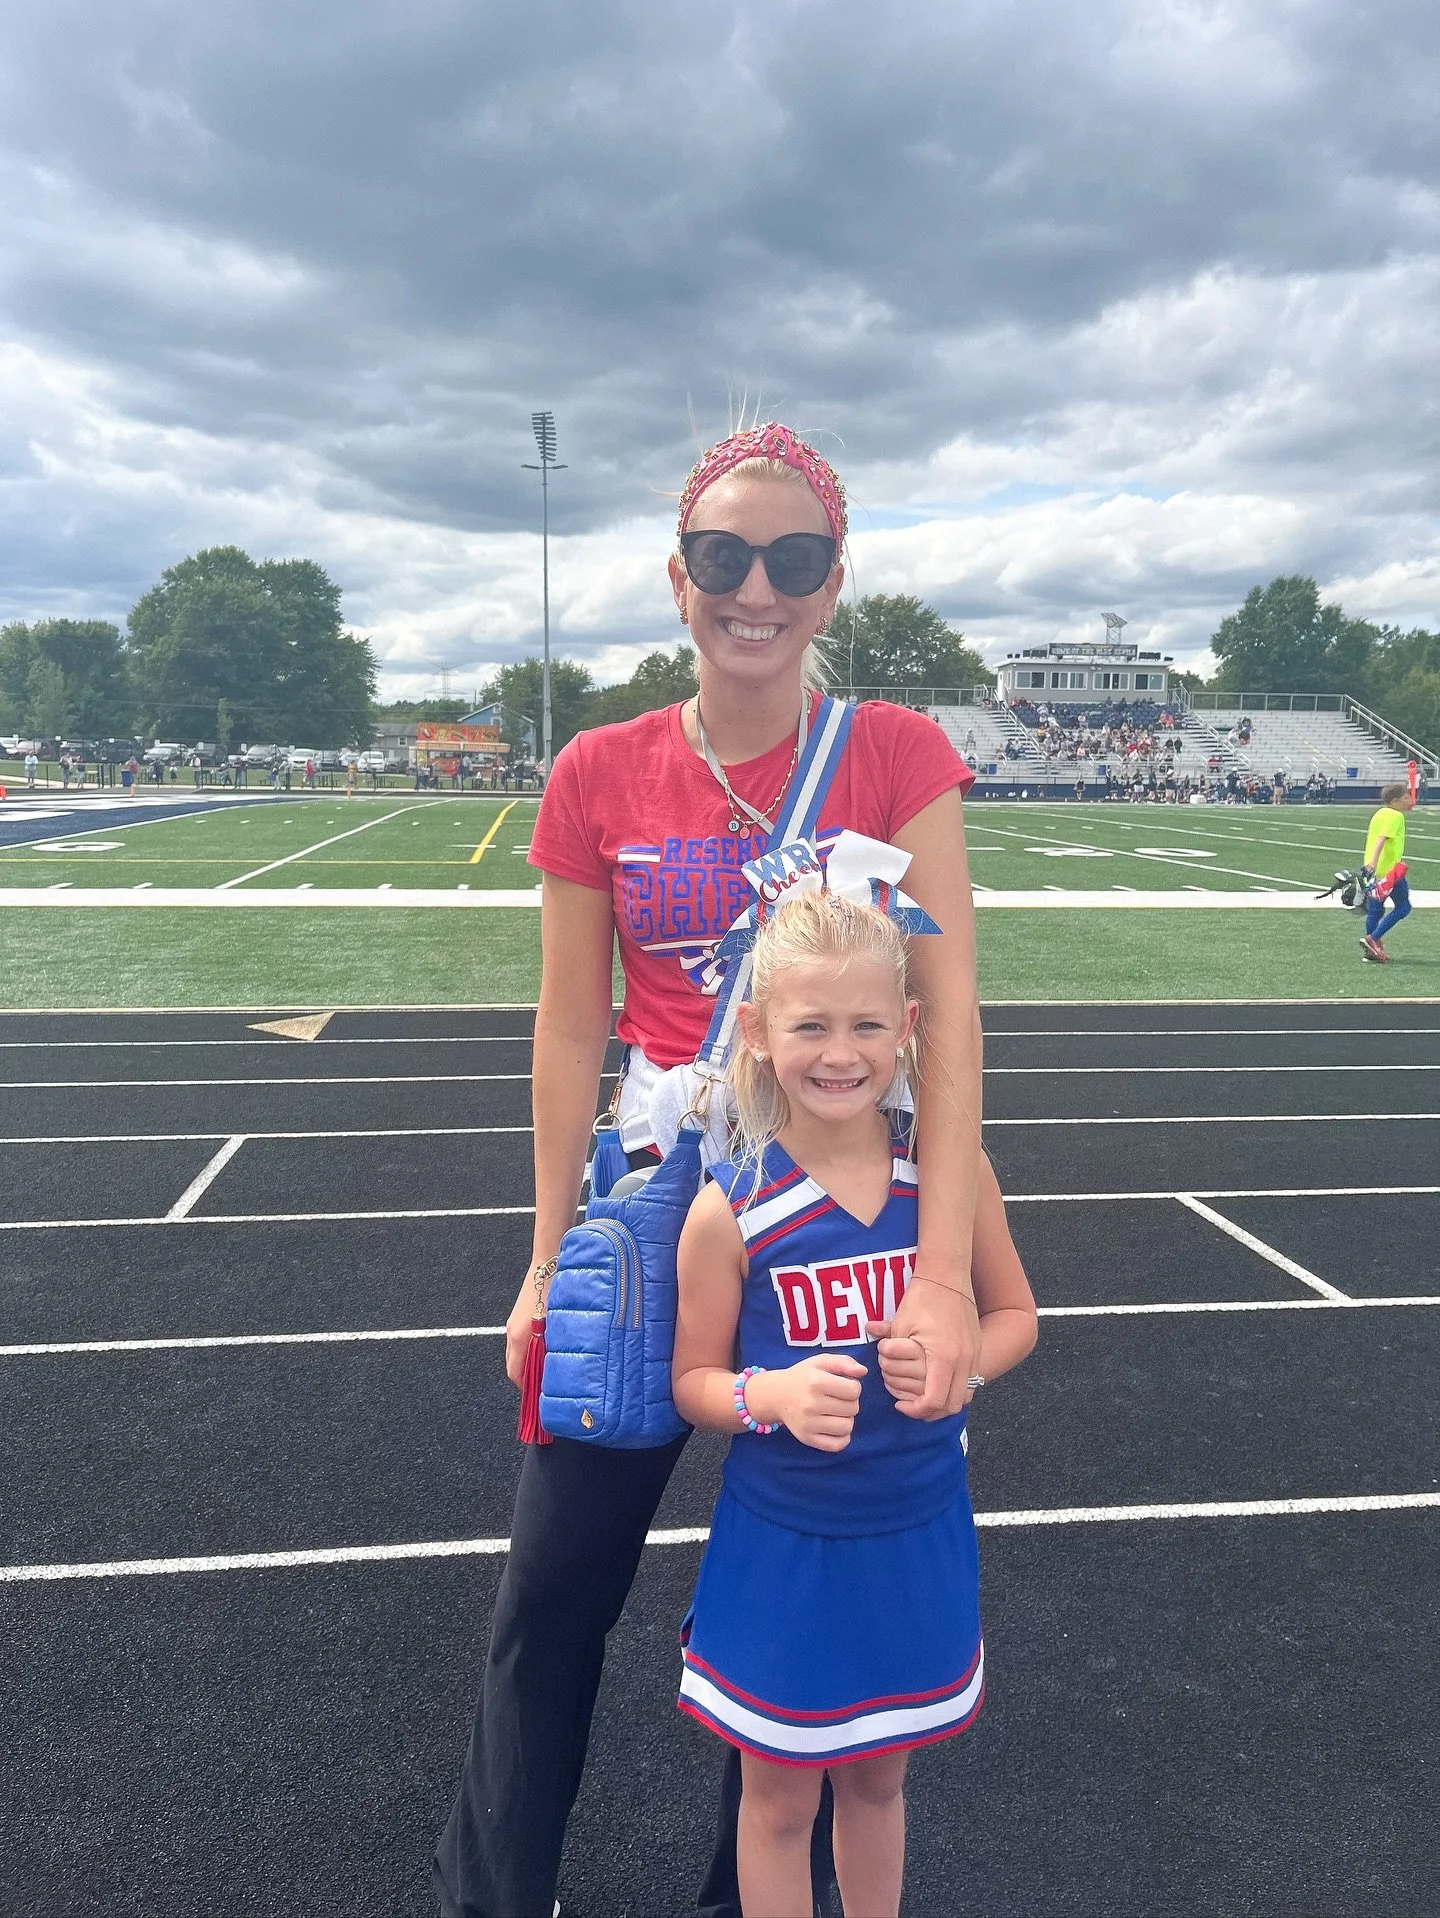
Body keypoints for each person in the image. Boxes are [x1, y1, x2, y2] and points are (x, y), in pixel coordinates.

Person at [433, 421, 991, 1918]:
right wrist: (546, 1256)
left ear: (833, 579)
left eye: (793, 557)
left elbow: (948, 1014)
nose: (759, 586)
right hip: (657, 1209)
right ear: (678, 579)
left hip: (828, 1222)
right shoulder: (599, 768)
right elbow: (568, 1028)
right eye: (725, 556)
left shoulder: (894, 752)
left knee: (815, 1612)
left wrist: (942, 1278)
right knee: (552, 1595)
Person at [673, 890, 1036, 1918]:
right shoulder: (730, 1210)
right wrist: (769, 1393)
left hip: (914, 1533)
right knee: (780, 1795)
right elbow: (692, 1382)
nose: (842, 1052)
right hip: (785, 1545)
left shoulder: (950, 1179)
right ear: (757, 1030)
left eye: (868, 1023)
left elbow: (1016, 1315)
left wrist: (966, 1369)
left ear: (909, 1029)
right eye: (811, 1025)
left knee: (881, 1777)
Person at [1360, 779, 1416, 963]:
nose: (1410, 800)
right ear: (1394, 801)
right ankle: (1373, 938)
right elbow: (1382, 839)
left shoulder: (1380, 813)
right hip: (1389, 871)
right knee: (1403, 907)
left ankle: (1371, 949)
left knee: (1375, 911)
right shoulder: (1395, 816)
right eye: (1406, 797)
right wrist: (1375, 863)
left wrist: (1370, 864)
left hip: (1373, 870)